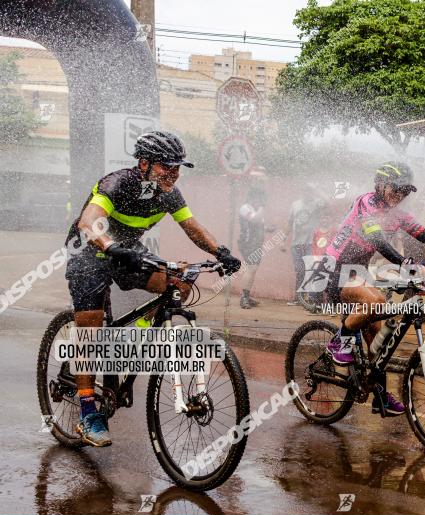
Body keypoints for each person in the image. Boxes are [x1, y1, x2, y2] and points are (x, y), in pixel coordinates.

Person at [64, 131, 241, 447]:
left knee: (181, 282)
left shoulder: (170, 194)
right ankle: (88, 413)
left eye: (177, 168)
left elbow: (193, 228)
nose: (173, 174)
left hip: (127, 254)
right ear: (143, 163)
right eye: (165, 167)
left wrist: (221, 252)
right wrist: (109, 245)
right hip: (89, 253)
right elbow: (89, 221)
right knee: (89, 331)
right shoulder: (116, 184)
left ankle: (141, 338)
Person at [323, 161, 425, 416]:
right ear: (381, 185)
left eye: (404, 191)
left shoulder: (398, 213)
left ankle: (379, 397)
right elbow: (376, 239)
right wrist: (402, 261)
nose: (400, 195)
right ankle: (339, 343)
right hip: (336, 267)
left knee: (378, 341)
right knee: (376, 303)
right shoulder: (366, 202)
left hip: (358, 270)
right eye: (396, 189)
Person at [284, 185, 322, 305]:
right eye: (305, 190)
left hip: (311, 243)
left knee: (312, 269)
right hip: (296, 243)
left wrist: (319, 190)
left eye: (309, 190)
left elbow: (327, 202)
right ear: (302, 191)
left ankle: (311, 299)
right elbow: (289, 223)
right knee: (300, 270)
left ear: (312, 192)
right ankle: (298, 298)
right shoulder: (295, 204)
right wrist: (283, 240)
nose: (307, 193)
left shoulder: (317, 203)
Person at [237, 186, 272, 309]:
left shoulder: (256, 209)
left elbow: (260, 225)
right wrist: (262, 207)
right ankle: (244, 298)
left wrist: (268, 228)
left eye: (261, 198)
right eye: (258, 197)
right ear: (252, 197)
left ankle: (246, 295)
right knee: (251, 268)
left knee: (253, 269)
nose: (260, 200)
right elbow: (254, 220)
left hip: (256, 244)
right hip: (247, 243)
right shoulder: (245, 207)